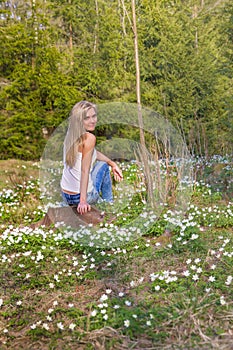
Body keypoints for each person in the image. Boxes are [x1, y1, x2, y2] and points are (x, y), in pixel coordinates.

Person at [61, 100, 123, 215]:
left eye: (94, 116)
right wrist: (83, 201)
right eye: (87, 118)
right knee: (103, 166)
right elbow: (84, 171)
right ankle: (109, 205)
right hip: (79, 197)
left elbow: (93, 153)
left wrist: (112, 163)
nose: (93, 121)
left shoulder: (70, 135)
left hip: (65, 196)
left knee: (104, 163)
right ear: (79, 120)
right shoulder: (89, 138)